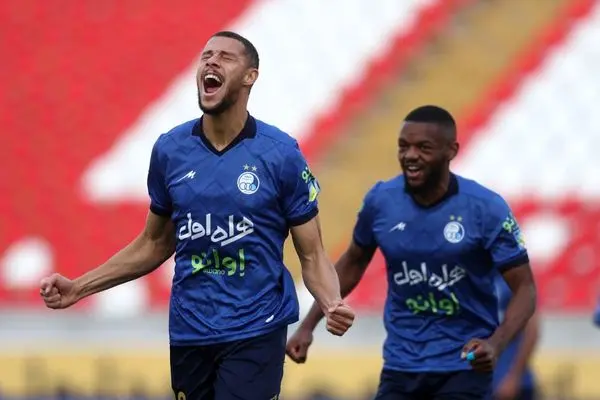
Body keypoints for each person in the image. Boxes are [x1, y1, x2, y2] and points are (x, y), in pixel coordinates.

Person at [39, 31, 355, 400]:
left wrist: (331, 302)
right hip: (190, 328)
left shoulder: (280, 154)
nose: (211, 61)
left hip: (257, 326)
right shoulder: (170, 151)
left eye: (225, 57)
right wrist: (79, 287)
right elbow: (154, 243)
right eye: (206, 55)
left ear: (250, 76)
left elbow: (312, 255)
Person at [286, 105, 537, 399]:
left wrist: (496, 343)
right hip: (401, 365)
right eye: (403, 146)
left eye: (423, 147)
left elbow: (526, 288)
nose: (410, 155)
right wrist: (308, 326)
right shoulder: (381, 201)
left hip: (464, 366)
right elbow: (352, 263)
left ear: (451, 151)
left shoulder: (486, 208)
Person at [493, 274, 540, 400]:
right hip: (480, 383)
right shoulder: (470, 277)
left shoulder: (514, 277)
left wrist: (514, 377)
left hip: (510, 383)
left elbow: (531, 331)